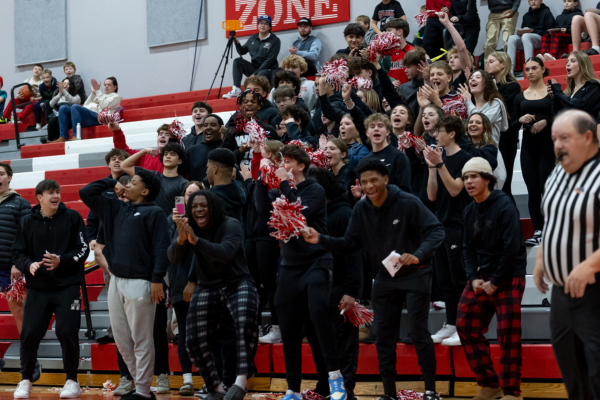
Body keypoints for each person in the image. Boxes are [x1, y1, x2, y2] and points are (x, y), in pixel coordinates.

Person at [303, 158, 445, 400]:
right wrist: (321, 239)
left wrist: (419, 255)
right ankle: (389, 393)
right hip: (385, 277)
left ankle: (430, 390)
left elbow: (436, 230)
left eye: (374, 180)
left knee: (419, 332)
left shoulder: (408, 202)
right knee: (383, 335)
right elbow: (349, 244)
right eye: (365, 182)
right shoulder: (360, 209)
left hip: (416, 274)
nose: (369, 186)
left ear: (386, 180)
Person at [255, 145, 347, 400]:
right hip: (289, 266)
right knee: (289, 327)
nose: (283, 165)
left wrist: (284, 184)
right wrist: (262, 181)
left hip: (317, 262)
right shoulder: (278, 190)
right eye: (280, 161)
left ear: (302, 165)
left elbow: (297, 214)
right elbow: (262, 210)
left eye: (288, 161)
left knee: (318, 312)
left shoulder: (314, 190)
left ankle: (335, 377)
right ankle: (293, 389)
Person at [80, 170, 169, 400]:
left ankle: (141, 390)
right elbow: (86, 192)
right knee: (121, 339)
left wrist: (157, 279)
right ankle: (141, 387)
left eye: (133, 182)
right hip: (116, 280)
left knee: (142, 338)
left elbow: (161, 248)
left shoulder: (155, 213)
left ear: (145, 191)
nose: (127, 185)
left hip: (142, 282)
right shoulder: (114, 208)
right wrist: (113, 182)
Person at [533, 110, 600, 399]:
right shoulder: (558, 172)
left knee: (598, 373)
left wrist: (592, 265)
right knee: (572, 371)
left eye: (564, 138)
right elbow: (551, 220)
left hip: (595, 292)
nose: (557, 145)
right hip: (561, 294)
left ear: (588, 137)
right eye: (554, 139)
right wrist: (540, 259)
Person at [168, 190, 259, 400]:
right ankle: (215, 388)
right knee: (191, 339)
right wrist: (181, 240)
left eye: (204, 206)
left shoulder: (231, 224)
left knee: (244, 323)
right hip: (207, 285)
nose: (199, 209)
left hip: (238, 282)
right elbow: (173, 257)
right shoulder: (187, 227)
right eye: (194, 206)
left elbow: (225, 253)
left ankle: (241, 381)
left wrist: (195, 240)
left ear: (213, 208)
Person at [12, 179, 90, 399]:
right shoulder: (27, 222)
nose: (56, 196)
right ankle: (26, 379)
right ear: (39, 197)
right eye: (50, 193)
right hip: (38, 288)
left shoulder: (73, 218)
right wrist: (29, 265)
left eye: (58, 192)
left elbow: (83, 249)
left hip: (68, 286)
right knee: (29, 333)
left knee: (66, 331)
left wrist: (62, 261)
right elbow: (17, 253)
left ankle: (72, 380)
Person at [458, 157, 527, 400]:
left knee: (508, 333)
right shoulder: (468, 210)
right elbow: (467, 248)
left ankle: (512, 391)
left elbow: (512, 247)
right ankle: (489, 383)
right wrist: (473, 278)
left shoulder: (504, 204)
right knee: (464, 325)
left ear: (487, 178)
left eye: (474, 176)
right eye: (466, 177)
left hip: (509, 275)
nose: (469, 182)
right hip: (483, 275)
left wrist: (495, 282)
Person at [302, 167, 363, 400]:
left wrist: (352, 291)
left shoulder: (345, 213)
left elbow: (355, 254)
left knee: (343, 344)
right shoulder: (310, 216)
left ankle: (346, 391)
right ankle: (325, 385)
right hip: (314, 290)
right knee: (318, 342)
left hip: (340, 289)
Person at [424, 115, 472, 346]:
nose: (434, 135)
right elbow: (431, 195)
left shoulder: (466, 159)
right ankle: (451, 324)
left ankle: (464, 327)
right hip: (440, 225)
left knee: (459, 279)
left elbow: (455, 190)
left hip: (458, 224)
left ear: (452, 133)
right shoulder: (438, 159)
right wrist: (433, 167)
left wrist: (440, 164)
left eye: (439, 131)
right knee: (444, 280)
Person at [168, 181, 204, 396]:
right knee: (183, 332)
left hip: (205, 282)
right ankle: (187, 380)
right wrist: (177, 228)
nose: (190, 199)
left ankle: (212, 377)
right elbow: (171, 255)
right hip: (180, 282)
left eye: (195, 194)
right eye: (187, 194)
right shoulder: (171, 221)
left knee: (207, 332)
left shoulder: (207, 220)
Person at [514, 57, 554, 246]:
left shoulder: (552, 93)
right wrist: (520, 120)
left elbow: (562, 116)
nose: (530, 72)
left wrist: (546, 121)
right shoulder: (520, 96)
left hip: (548, 147)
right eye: (527, 69)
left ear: (542, 69)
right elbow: (510, 125)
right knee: (533, 189)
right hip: (528, 148)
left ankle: (553, 227)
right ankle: (538, 230)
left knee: (548, 188)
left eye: (534, 68)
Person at [0, 163, 35, 376]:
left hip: (10, 267)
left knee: (19, 312)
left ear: (9, 178)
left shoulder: (20, 203)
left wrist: (18, 263)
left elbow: (28, 236)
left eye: (1, 174)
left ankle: (30, 361)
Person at [485, 51, 522, 201]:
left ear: (503, 64)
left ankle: (512, 222)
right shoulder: (494, 86)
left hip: (507, 140)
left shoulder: (512, 86)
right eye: (487, 61)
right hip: (493, 140)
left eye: (491, 61)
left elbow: (499, 110)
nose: (487, 64)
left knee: (504, 185)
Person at [120, 143, 189, 216]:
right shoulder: (152, 176)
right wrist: (144, 151)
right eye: (165, 154)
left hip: (169, 225)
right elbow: (124, 166)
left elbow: (182, 212)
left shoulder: (183, 183)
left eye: (173, 154)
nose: (168, 156)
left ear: (180, 161)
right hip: (149, 223)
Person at [223, 15, 281, 99]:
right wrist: (237, 43)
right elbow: (242, 52)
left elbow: (270, 60)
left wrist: (256, 74)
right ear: (257, 25)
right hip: (255, 68)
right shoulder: (253, 38)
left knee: (262, 73)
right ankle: (236, 89)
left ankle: (257, 90)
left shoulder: (275, 40)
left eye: (266, 23)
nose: (263, 25)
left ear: (270, 27)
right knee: (237, 61)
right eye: (261, 23)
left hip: (268, 70)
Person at [56, 77, 122, 143]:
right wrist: (93, 93)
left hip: (100, 118)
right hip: (90, 116)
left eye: (109, 85)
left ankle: (76, 136)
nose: (106, 87)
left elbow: (104, 106)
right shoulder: (101, 96)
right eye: (105, 85)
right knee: (63, 108)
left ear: (115, 87)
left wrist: (98, 91)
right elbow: (85, 106)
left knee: (75, 106)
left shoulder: (116, 97)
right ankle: (63, 136)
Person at [224, 90, 277, 166]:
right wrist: (240, 151)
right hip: (241, 175)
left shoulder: (268, 129)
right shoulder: (232, 130)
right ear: (241, 106)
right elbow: (225, 158)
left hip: (264, 174)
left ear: (259, 106)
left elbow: (276, 155)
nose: (249, 104)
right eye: (245, 102)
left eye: (253, 102)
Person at [362, 113, 412, 193]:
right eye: (372, 126)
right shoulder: (364, 161)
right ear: (367, 133)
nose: (376, 129)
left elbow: (405, 191)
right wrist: (359, 194)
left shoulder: (399, 157)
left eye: (380, 126)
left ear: (387, 132)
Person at [459, 70, 509, 144]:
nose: (473, 79)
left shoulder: (495, 104)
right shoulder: (466, 105)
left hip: (489, 152)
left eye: (478, 77)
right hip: (470, 152)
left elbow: (481, 122)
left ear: (486, 83)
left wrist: (468, 102)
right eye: (471, 77)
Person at [506, 0, 556, 73]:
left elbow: (550, 31)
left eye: (535, 0)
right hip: (527, 39)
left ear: (541, 1)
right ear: (528, 2)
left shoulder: (546, 12)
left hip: (541, 39)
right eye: (531, 0)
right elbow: (524, 31)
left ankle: (529, 67)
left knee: (526, 36)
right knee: (512, 38)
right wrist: (520, 32)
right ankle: (509, 72)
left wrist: (533, 31)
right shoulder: (526, 16)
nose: (533, 2)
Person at [109, 121, 176, 174]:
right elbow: (123, 151)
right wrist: (116, 130)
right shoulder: (145, 155)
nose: (162, 136)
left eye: (167, 134)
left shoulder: (178, 158)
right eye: (160, 134)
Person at [548, 51, 600, 118]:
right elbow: (558, 115)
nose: (568, 64)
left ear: (583, 65)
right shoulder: (569, 90)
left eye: (572, 61)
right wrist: (555, 97)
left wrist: (558, 92)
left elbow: (580, 107)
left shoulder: (593, 86)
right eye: (567, 62)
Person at [464, 113, 506, 189]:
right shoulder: (461, 146)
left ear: (485, 128)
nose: (473, 124)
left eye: (478, 122)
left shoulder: (490, 149)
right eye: (470, 122)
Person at [438, 12, 474, 92]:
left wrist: (447, 23)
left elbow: (461, 49)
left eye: (456, 57)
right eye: (450, 58)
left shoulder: (465, 75)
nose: (451, 60)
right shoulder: (447, 82)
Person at [187, 114, 225, 182]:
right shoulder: (192, 151)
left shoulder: (227, 148)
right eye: (205, 125)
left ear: (221, 128)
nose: (208, 127)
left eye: (213, 125)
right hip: (197, 191)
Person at [42, 78, 81, 143]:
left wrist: (64, 91)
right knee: (52, 121)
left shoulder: (76, 96)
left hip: (69, 117)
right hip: (57, 114)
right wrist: (60, 94)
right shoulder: (59, 95)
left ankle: (58, 140)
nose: (65, 85)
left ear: (71, 86)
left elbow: (73, 101)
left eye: (68, 84)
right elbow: (51, 104)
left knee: (59, 121)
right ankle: (50, 141)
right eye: (64, 84)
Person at [399, 47, 428, 120]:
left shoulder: (430, 84)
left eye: (408, 67)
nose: (405, 71)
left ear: (419, 65)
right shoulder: (402, 88)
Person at [384, 19, 415, 85]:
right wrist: (389, 82)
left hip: (408, 92)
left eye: (389, 30)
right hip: (389, 92)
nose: (385, 33)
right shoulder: (384, 53)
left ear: (399, 32)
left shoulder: (413, 51)